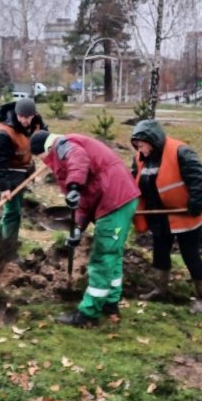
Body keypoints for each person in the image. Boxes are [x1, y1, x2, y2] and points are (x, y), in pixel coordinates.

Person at [29, 129, 139, 328]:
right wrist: (78, 228)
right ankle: (110, 303)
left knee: (103, 256)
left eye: (40, 157)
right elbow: (83, 202)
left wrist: (73, 186)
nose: (43, 162)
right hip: (117, 198)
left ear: (43, 151)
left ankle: (88, 314)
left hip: (114, 200)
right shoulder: (65, 149)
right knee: (112, 255)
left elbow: (78, 160)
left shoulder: (62, 146)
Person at [129, 119, 202, 314]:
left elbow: (200, 178)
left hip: (185, 214)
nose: (139, 150)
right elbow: (132, 179)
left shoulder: (181, 152)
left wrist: (195, 203)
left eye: (141, 145)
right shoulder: (140, 158)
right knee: (160, 252)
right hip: (159, 215)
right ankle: (160, 289)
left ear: (152, 141)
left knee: (190, 254)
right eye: (137, 146)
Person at [0, 97, 47, 240]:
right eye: (21, 116)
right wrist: (4, 187)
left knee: (12, 209)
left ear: (33, 115)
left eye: (27, 117)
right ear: (16, 113)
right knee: (13, 211)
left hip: (22, 169)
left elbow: (44, 139)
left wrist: (49, 155)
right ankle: (8, 246)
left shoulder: (37, 122)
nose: (24, 120)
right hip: (6, 170)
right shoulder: (5, 132)